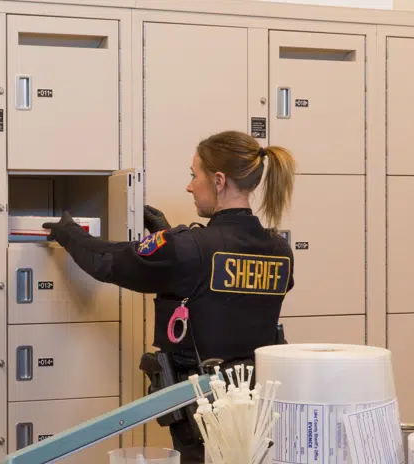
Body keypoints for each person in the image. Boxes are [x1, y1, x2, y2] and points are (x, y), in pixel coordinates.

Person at [41, 130, 297, 462]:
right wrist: (165, 238)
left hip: (201, 415)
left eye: (195, 175)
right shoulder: (279, 250)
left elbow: (107, 262)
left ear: (219, 181)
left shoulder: (189, 248)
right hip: (256, 412)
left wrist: (69, 232)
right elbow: (218, 289)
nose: (190, 186)